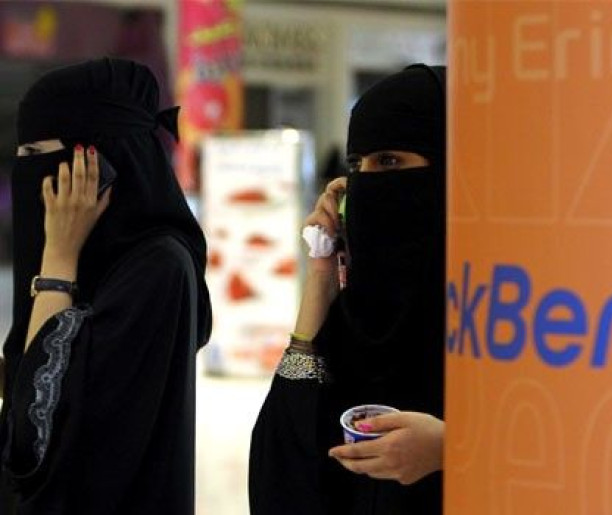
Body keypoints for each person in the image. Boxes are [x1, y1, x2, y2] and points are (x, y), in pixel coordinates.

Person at [0, 57, 212, 514]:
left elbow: (40, 439)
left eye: (38, 155)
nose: (25, 170)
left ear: (94, 164)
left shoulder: (158, 267)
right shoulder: (102, 258)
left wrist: (57, 258)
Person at [250, 64, 446, 515]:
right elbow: (277, 466)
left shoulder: (496, 310)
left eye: (391, 162)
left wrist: (453, 450)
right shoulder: (355, 317)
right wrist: (319, 280)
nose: (368, 183)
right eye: (357, 166)